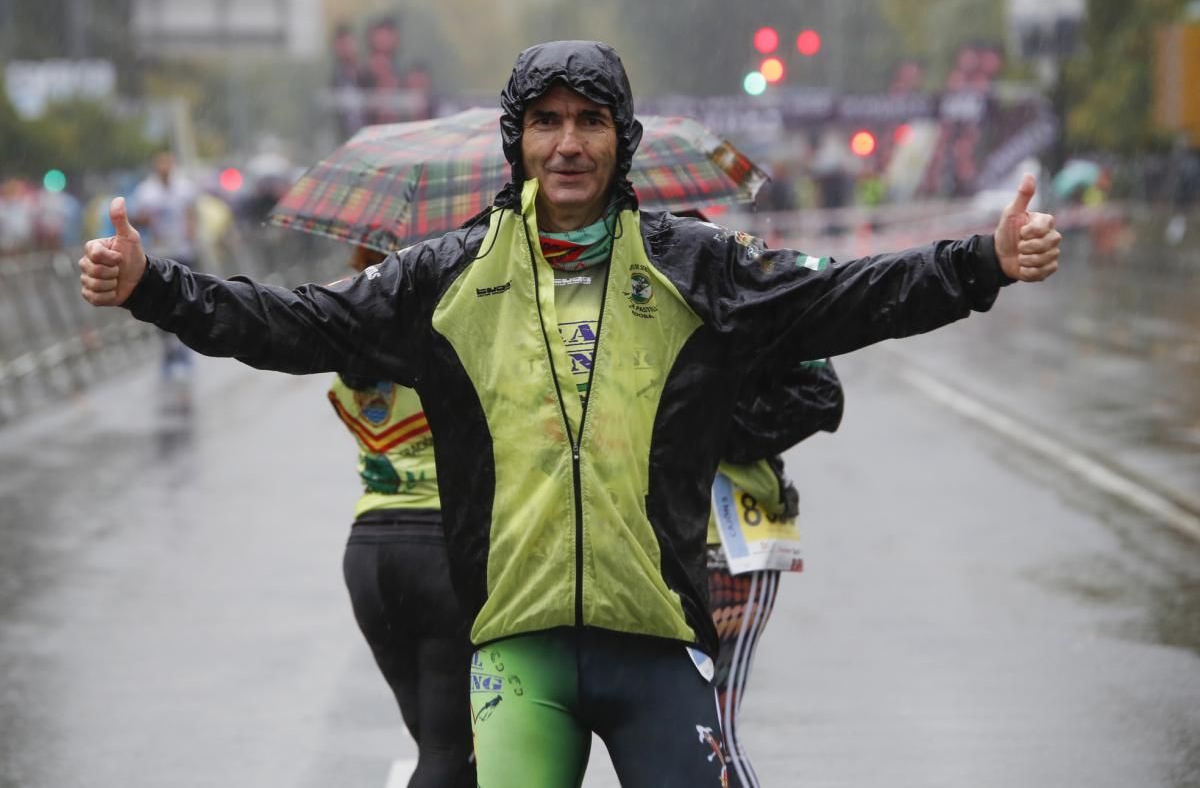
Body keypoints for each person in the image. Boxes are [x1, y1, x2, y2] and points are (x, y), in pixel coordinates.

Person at [80, 40, 1061, 787]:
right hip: (515, 649)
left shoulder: (697, 268)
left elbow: (839, 299)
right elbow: (294, 326)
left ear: (620, 137)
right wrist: (153, 287)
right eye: (544, 121)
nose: (567, 142)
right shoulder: (448, 277)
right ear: (518, 142)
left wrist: (982, 263)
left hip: (659, 640)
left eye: (589, 119)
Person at [331, 246, 475, 788]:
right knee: (447, 751)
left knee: (438, 747)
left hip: (367, 554)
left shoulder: (348, 373)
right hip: (440, 554)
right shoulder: (438, 356)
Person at [710, 356, 844, 788]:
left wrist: (703, 417)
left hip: (730, 548)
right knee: (672, 732)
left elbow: (822, 394)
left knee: (713, 734)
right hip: (644, 542)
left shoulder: (752, 287)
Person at [126, 149, 199, 386]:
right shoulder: (146, 192)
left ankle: (186, 352)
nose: (165, 168)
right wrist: (145, 220)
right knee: (162, 305)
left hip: (183, 253)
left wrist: (191, 233)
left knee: (185, 302)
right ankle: (169, 354)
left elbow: (191, 214)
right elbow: (137, 218)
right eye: (161, 164)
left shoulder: (184, 187)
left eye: (168, 164)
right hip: (159, 256)